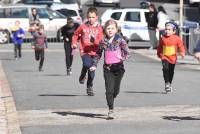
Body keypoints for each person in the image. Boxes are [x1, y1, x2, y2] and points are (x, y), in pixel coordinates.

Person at [90, 19, 130, 119]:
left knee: (115, 91)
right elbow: (98, 54)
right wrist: (94, 65)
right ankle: (111, 110)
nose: (110, 30)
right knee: (109, 90)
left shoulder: (120, 40)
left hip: (119, 68)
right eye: (108, 28)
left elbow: (127, 53)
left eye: (112, 28)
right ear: (105, 30)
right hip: (108, 69)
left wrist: (123, 57)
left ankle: (112, 96)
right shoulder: (103, 41)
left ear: (116, 29)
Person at [72, 7, 103, 96]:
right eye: (89, 17)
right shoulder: (83, 26)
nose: (91, 19)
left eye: (93, 17)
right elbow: (75, 34)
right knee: (86, 65)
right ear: (87, 17)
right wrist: (74, 44)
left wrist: (94, 42)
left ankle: (89, 87)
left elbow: (100, 41)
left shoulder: (99, 28)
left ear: (96, 17)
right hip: (84, 51)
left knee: (92, 72)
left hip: (95, 52)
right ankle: (82, 74)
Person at [157, 22, 185, 93]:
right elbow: (160, 46)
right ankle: (166, 83)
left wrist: (182, 52)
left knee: (171, 71)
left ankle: (169, 83)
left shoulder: (177, 38)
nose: (167, 31)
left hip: (173, 58)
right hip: (164, 56)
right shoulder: (162, 37)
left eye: (169, 29)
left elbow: (181, 46)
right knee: (165, 68)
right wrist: (158, 53)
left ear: (174, 31)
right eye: (166, 29)